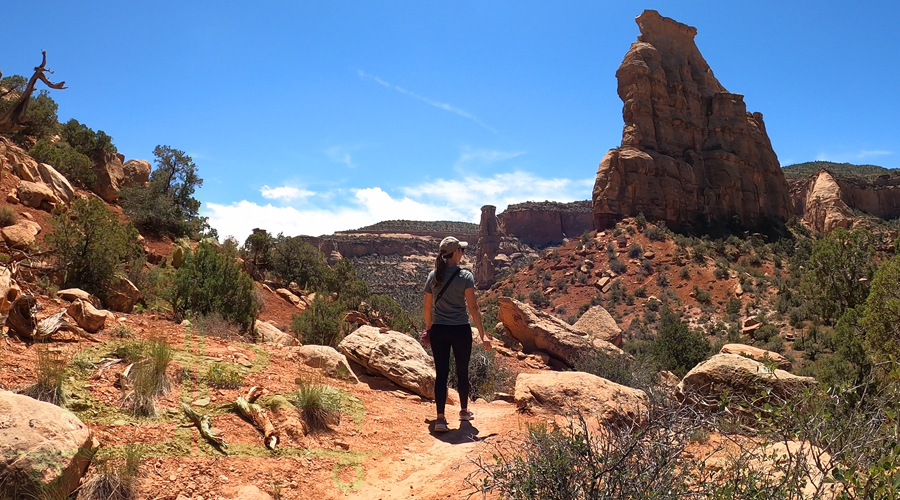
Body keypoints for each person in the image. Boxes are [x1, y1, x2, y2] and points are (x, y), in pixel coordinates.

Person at [423, 236, 491, 433]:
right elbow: (474, 308)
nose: (463, 253)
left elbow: (427, 308)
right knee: (462, 371)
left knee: (441, 373)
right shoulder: (466, 277)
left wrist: (429, 328)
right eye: (461, 250)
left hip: (439, 330)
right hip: (461, 329)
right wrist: (483, 334)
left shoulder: (433, 276)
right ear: (455, 253)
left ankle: (440, 419)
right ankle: (463, 411)